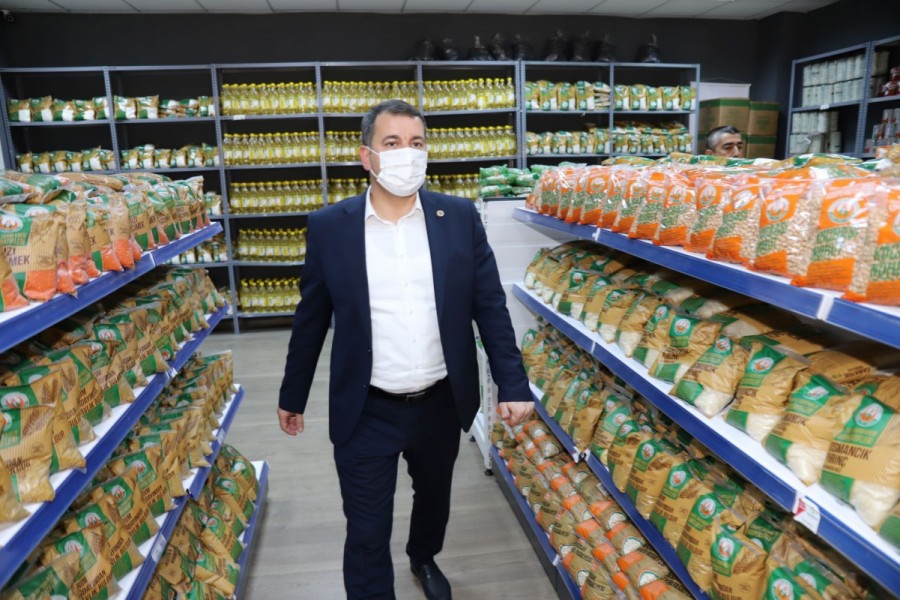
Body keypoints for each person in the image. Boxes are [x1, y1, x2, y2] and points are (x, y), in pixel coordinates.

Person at [277, 99, 534, 600]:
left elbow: (489, 306)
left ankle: (423, 555)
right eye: (392, 143)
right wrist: (293, 395)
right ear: (366, 156)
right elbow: (311, 319)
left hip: (440, 401)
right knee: (366, 528)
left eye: (416, 143)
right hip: (366, 407)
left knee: (434, 498)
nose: (407, 154)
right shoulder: (331, 227)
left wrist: (513, 383)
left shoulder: (457, 217)